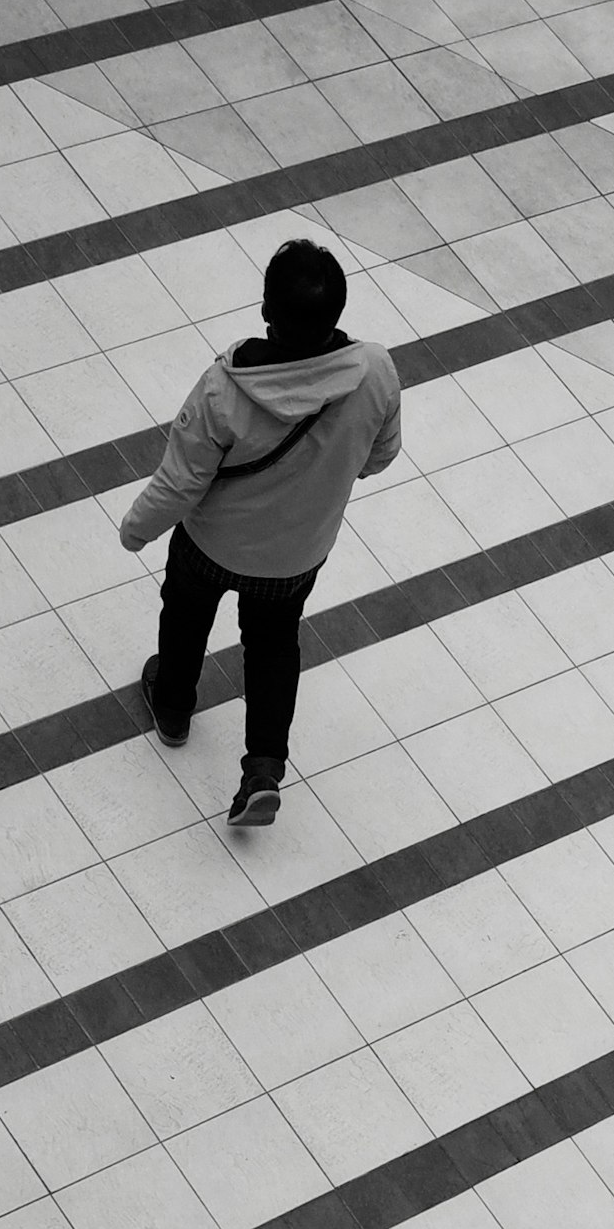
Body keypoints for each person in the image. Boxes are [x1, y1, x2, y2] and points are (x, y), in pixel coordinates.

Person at [118, 238, 402, 826]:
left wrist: (135, 529)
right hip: (297, 555)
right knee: (273, 647)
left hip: (210, 545)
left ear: (267, 310)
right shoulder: (375, 371)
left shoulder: (225, 390)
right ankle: (263, 768)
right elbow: (379, 456)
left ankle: (172, 708)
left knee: (186, 614)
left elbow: (179, 483)